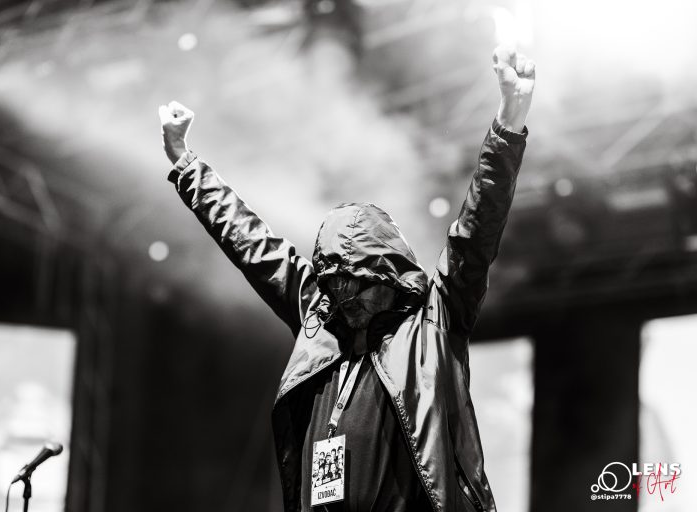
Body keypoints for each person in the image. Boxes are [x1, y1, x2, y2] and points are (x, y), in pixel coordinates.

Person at [159, 45, 534, 512]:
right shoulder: (320, 319)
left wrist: (509, 120)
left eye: (356, 284)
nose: (344, 298)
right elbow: (250, 241)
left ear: (388, 276)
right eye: (334, 285)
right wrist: (185, 162)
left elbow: (477, 229)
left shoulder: (433, 320)